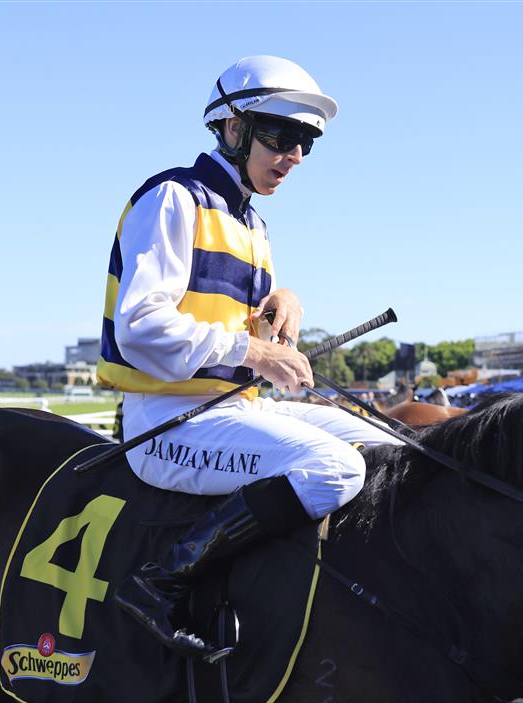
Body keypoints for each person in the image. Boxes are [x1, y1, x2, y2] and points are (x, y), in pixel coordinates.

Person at [97, 56, 397, 660]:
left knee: (385, 442)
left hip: (229, 411)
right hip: (164, 423)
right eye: (282, 137)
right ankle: (161, 581)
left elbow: (238, 326)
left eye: (306, 144)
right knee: (337, 469)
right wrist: (252, 348)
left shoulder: (253, 225)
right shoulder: (172, 197)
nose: (294, 157)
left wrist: (279, 304)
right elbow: (140, 326)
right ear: (232, 128)